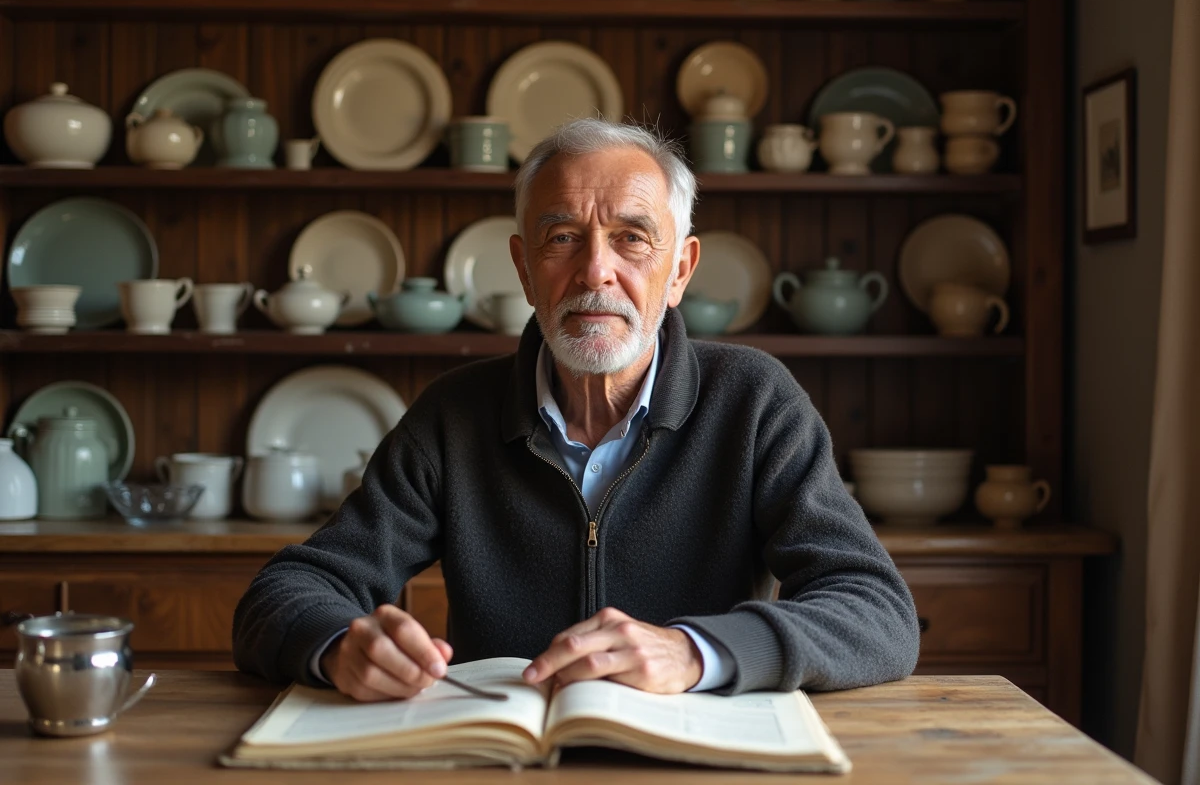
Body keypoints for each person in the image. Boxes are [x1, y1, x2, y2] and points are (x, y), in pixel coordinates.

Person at [232, 118, 920, 702]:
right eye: (562, 237)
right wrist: (335, 646)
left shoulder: (754, 401)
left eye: (632, 238)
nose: (595, 270)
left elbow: (878, 612)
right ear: (525, 269)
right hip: (501, 761)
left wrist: (697, 652)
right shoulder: (455, 414)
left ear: (679, 270)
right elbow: (286, 591)